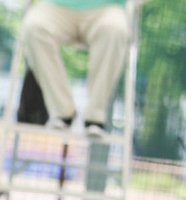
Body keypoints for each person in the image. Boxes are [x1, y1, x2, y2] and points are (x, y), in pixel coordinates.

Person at [20, 0, 149, 137]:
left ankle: (95, 118)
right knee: (33, 25)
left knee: (116, 29)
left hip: (108, 9)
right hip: (56, 6)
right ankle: (62, 113)